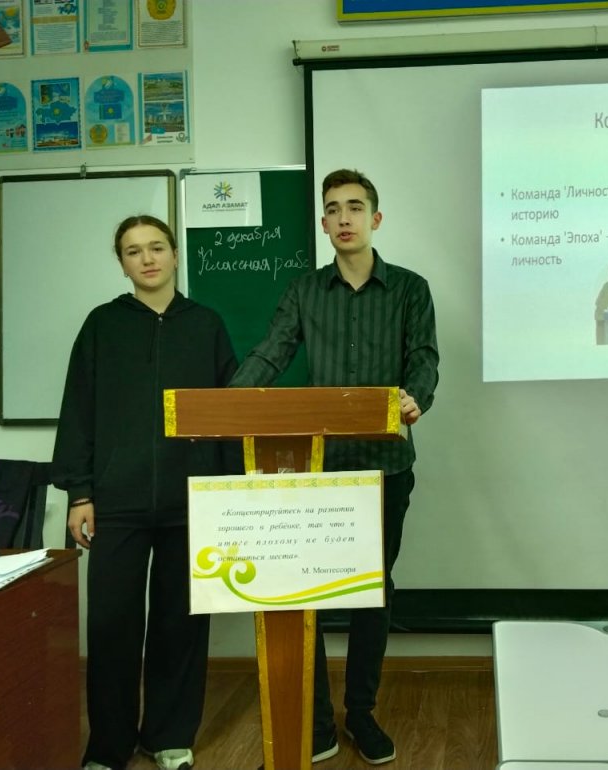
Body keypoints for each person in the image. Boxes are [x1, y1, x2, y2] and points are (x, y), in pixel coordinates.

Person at [230, 168, 439, 765]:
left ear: (375, 218)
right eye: (333, 209)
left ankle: (362, 714)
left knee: (373, 592)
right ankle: (318, 723)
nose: (344, 217)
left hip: (384, 467)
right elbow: (271, 353)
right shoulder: (304, 291)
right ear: (323, 224)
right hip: (318, 471)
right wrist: (227, 403)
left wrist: (415, 398)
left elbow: (424, 358)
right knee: (311, 592)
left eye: (355, 207)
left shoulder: (410, 289)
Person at [52, 215, 237, 770]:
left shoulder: (207, 325)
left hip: (192, 503)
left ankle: (168, 737)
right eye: (134, 251)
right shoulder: (102, 326)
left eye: (157, 247)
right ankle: (108, 746)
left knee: (181, 625)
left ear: (176, 255)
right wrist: (80, 494)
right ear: (122, 264)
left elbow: (230, 415)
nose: (147, 258)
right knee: (112, 627)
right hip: (117, 503)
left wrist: (227, 496)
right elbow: (78, 411)